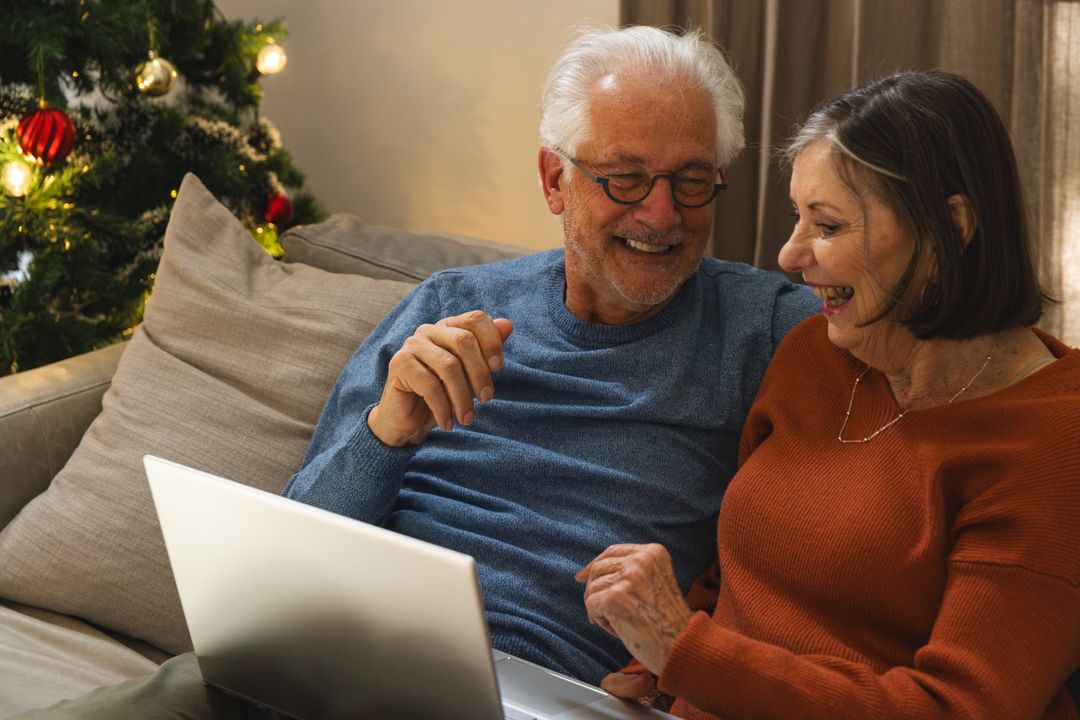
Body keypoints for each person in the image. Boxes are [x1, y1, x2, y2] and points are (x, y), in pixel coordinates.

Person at [16, 25, 817, 719]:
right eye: (626, 177)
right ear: (554, 179)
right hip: (323, 660)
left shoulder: (769, 329)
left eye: (691, 180)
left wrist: (690, 653)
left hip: (535, 693)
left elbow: (847, 523)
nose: (661, 214)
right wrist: (386, 429)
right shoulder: (449, 304)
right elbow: (293, 544)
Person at [577, 69, 1080, 719]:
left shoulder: (1055, 442)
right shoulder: (818, 352)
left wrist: (684, 649)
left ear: (948, 229)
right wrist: (655, 673)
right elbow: (736, 585)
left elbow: (956, 709)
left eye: (829, 225)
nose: (790, 256)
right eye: (798, 217)